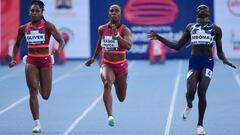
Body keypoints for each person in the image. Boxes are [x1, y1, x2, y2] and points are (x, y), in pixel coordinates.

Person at [147, 4, 236, 135]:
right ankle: (189, 105)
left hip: (208, 63)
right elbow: (177, 46)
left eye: (205, 8)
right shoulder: (190, 27)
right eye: (200, 8)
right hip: (194, 63)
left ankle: (200, 125)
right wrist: (159, 37)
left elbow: (220, 52)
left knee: (202, 92)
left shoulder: (216, 29)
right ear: (196, 13)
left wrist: (224, 59)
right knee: (191, 92)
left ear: (209, 12)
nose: (202, 9)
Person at [9, 0, 64, 133]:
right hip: (31, 61)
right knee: (32, 90)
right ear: (29, 12)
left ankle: (39, 85)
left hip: (45, 61)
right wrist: (13, 59)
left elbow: (61, 40)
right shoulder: (23, 28)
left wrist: (59, 50)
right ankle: (37, 123)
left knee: (45, 95)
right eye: (32, 11)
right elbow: (17, 44)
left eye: (37, 11)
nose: (34, 13)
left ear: (41, 12)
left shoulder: (48, 26)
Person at [85, 4, 132, 127]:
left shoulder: (125, 30)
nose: (114, 13)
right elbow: (100, 43)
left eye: (116, 11)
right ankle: (110, 116)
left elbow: (128, 46)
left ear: (120, 14)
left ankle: (123, 80)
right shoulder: (102, 29)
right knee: (107, 84)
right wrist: (94, 58)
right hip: (106, 64)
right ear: (108, 14)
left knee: (121, 98)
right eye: (111, 11)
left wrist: (117, 36)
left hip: (121, 66)